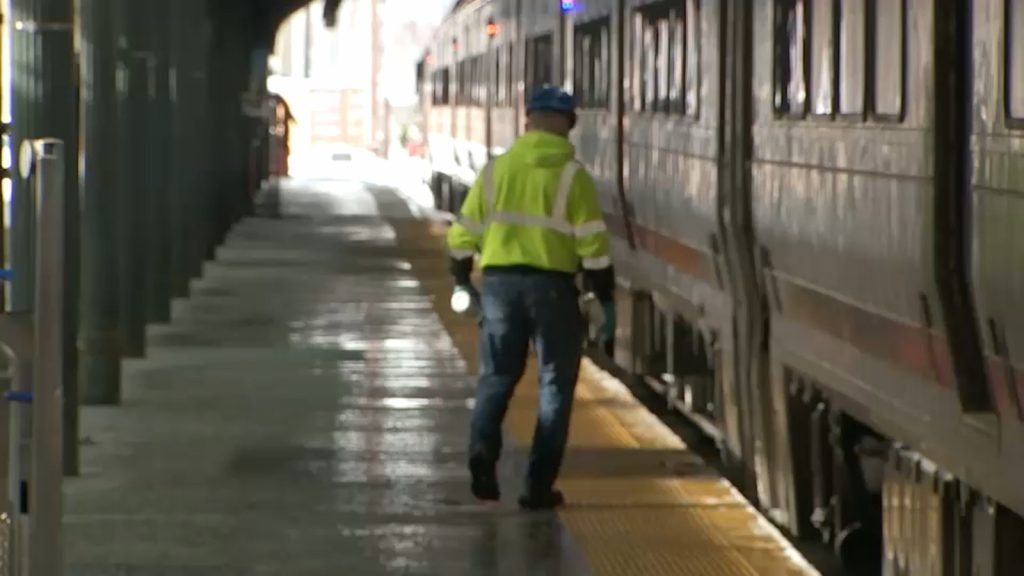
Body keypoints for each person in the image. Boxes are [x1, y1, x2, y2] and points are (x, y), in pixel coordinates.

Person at [446, 85, 616, 510]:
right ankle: (537, 488)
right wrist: (604, 299)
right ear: (567, 126)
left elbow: (462, 235)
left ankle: (482, 454)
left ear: (527, 122)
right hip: (554, 291)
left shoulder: (496, 170)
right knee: (555, 387)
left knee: (496, 378)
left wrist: (462, 280)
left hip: (500, 288)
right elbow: (594, 250)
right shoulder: (574, 177)